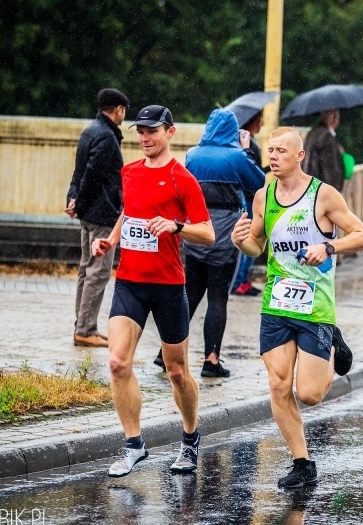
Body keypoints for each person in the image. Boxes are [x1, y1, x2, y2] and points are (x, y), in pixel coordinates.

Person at [231, 126, 363, 488]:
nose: (273, 156)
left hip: (316, 306)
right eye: (271, 150)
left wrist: (328, 247)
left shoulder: (323, 195)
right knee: (279, 385)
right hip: (277, 302)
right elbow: (256, 247)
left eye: (281, 150)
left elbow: (362, 235)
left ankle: (333, 342)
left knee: (309, 394)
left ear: (299, 156)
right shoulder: (264, 196)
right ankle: (302, 463)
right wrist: (240, 242)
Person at [91, 105, 215, 477]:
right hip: (129, 282)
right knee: (117, 363)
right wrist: (110, 240)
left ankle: (191, 438)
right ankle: (133, 444)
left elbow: (208, 233)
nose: (145, 137)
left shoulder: (183, 179)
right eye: (140, 131)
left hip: (168, 286)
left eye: (152, 131)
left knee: (177, 372)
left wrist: (176, 227)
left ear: (170, 133)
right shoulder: (129, 172)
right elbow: (128, 212)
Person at [153, 109, 265, 378]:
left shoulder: (193, 155)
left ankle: (164, 352)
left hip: (196, 230)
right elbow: (259, 184)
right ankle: (211, 360)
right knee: (217, 297)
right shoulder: (237, 156)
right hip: (225, 234)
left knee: (189, 295)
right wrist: (248, 151)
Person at [65, 88, 130, 348]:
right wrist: (79, 203)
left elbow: (79, 171)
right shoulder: (106, 136)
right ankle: (86, 329)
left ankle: (83, 326)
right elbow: (91, 175)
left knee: (86, 269)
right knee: (98, 273)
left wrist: (73, 200)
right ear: (118, 109)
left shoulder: (91, 130)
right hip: (102, 213)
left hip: (89, 212)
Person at [232, 110, 270, 297]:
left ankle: (242, 280)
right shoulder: (242, 142)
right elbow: (247, 170)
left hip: (251, 196)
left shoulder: (250, 141)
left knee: (253, 238)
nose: (261, 124)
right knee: (247, 238)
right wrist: (246, 148)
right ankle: (239, 282)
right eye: (260, 120)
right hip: (246, 198)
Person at [302, 109, 345, 192]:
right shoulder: (327, 136)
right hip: (321, 190)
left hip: (308, 187)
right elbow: (330, 170)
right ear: (334, 118)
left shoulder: (312, 133)